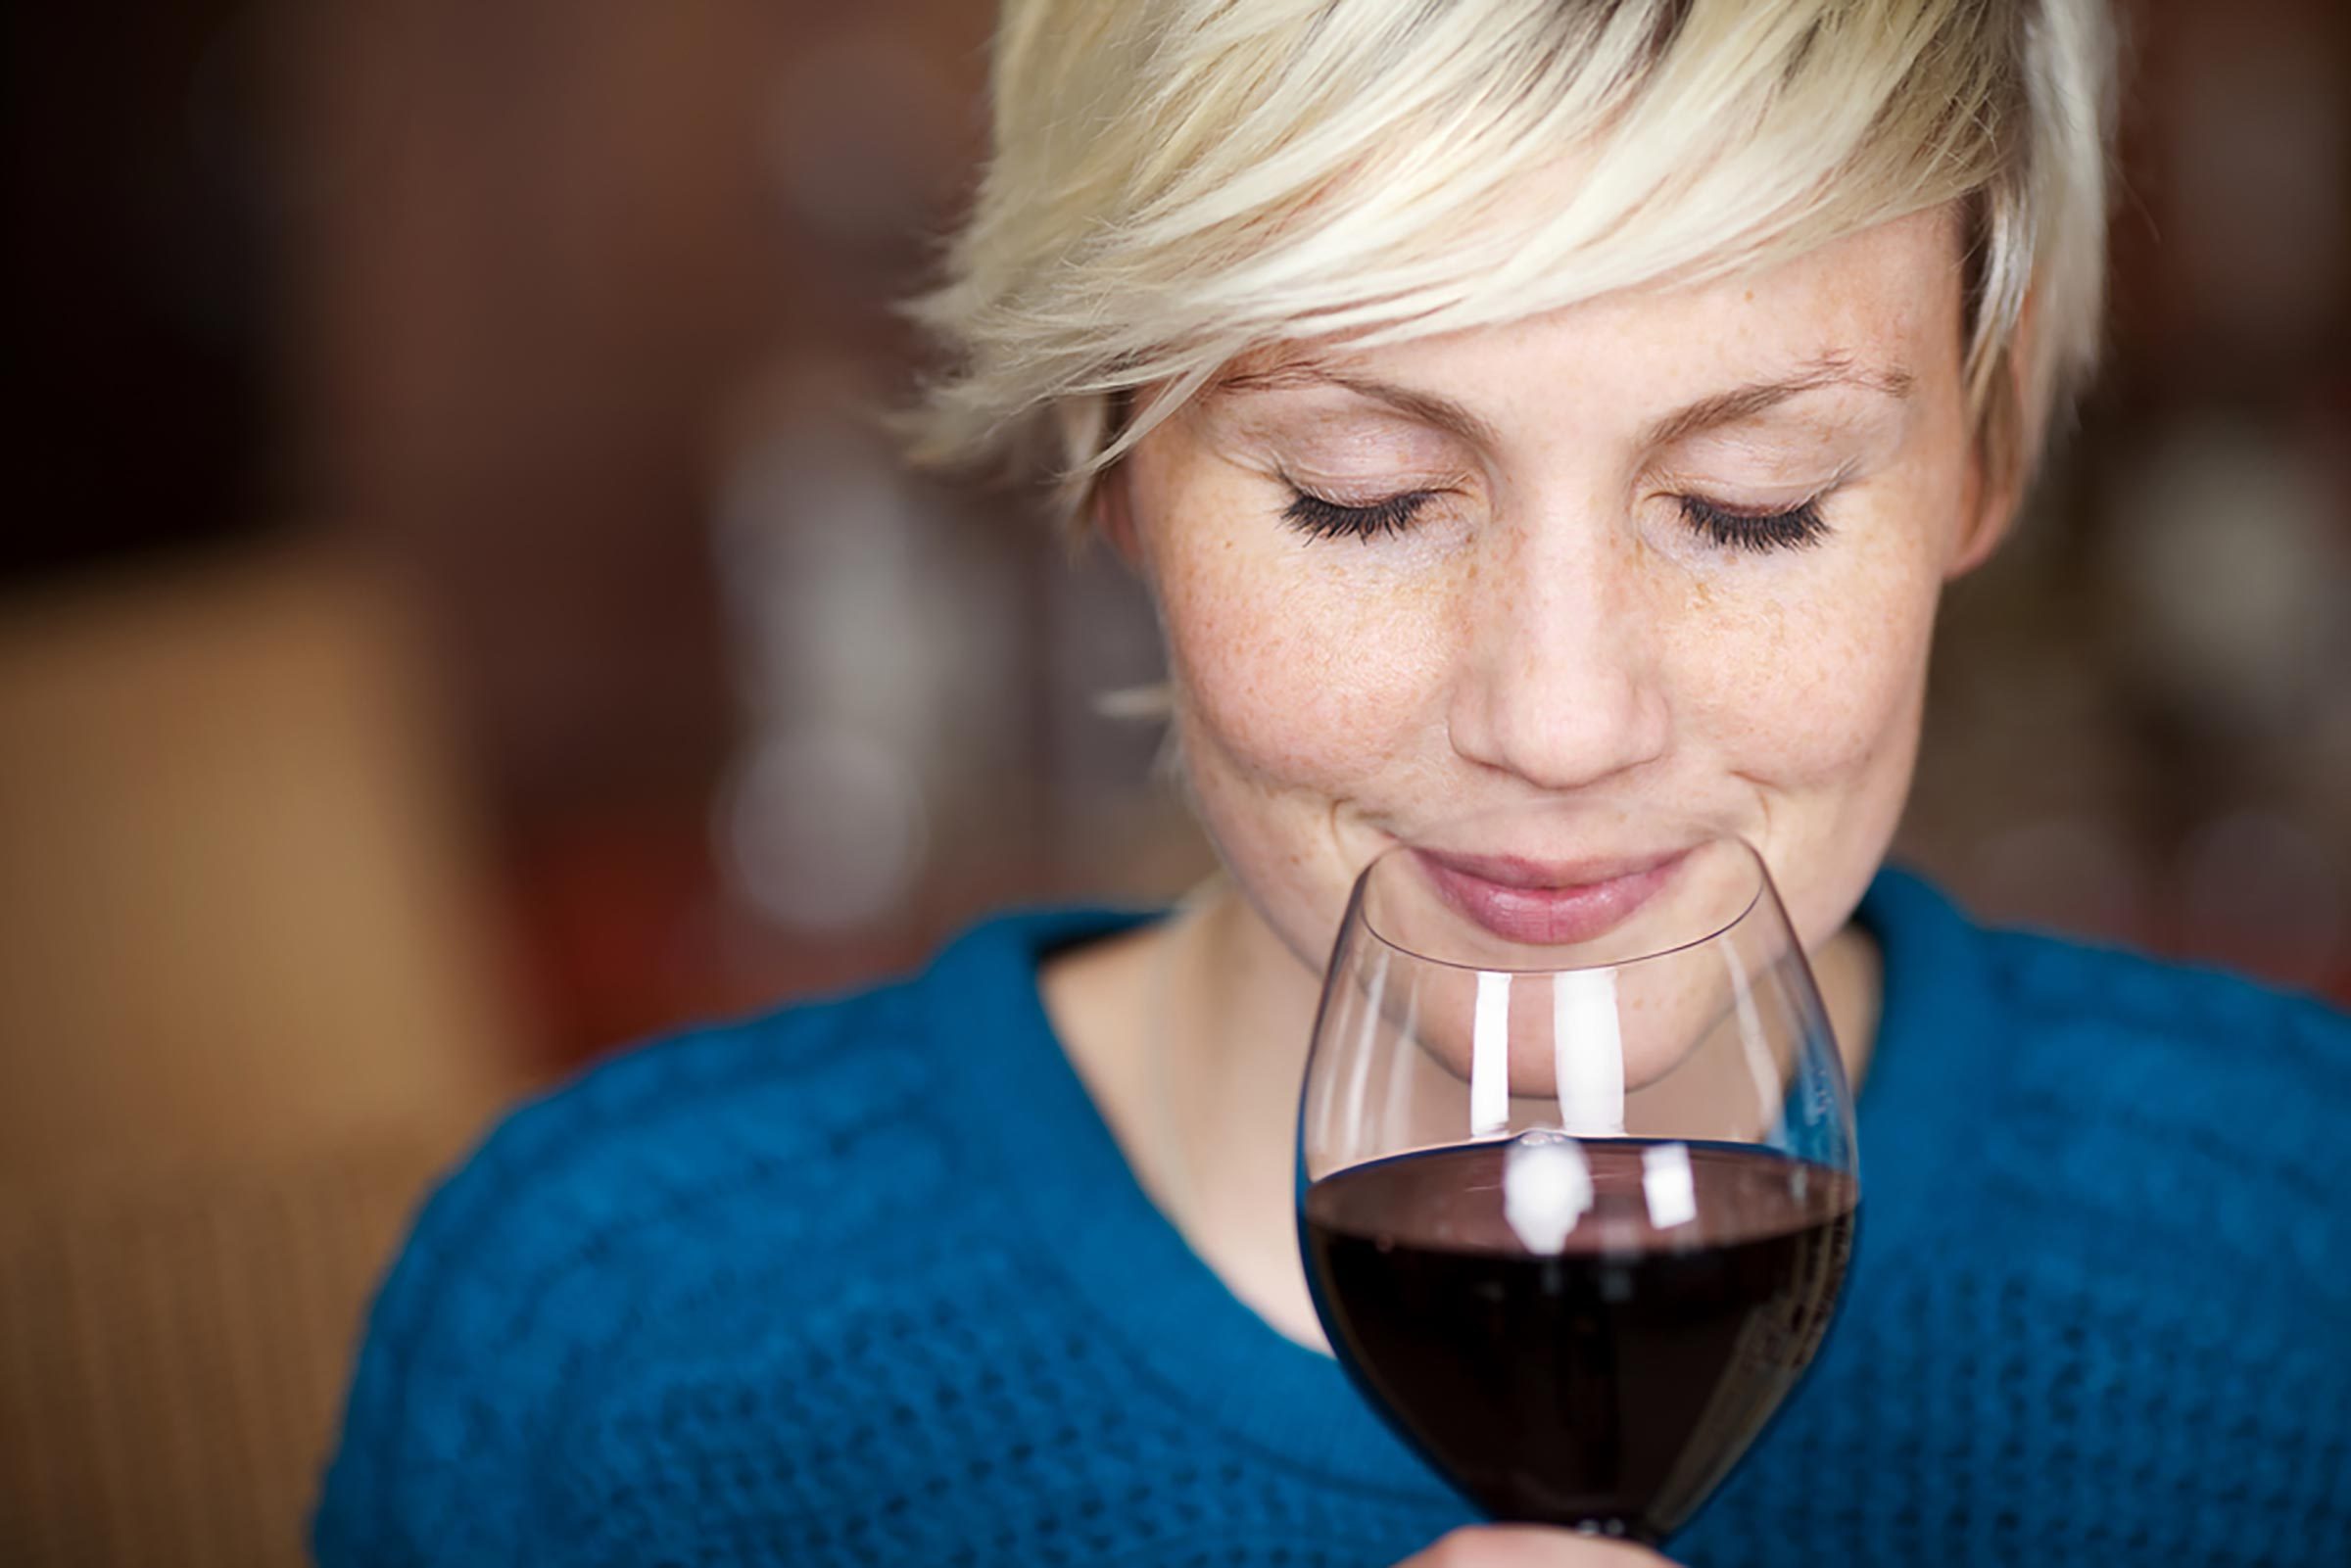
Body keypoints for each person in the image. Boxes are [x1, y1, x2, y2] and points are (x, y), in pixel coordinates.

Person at [314, 2, 2351, 1563]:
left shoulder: (2301, 1260)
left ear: (1977, 462)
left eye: (1751, 507)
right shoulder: (611, 1346)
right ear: (1117, 458)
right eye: (1362, 500)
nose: (1559, 721)